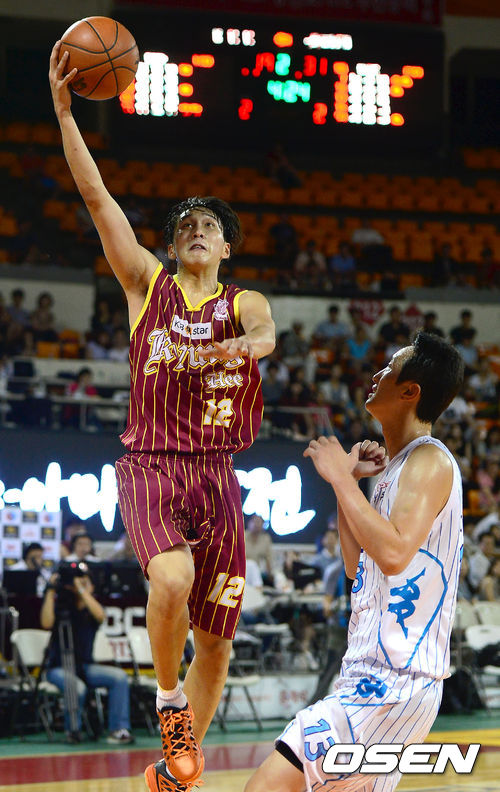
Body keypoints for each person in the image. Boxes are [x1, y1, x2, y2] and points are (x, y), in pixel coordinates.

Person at [49, 42, 276, 792]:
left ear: (226, 246)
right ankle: (170, 705)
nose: (196, 228)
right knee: (171, 579)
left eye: (209, 224)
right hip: (151, 464)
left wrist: (223, 352)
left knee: (218, 646)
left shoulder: (242, 301)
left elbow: (265, 338)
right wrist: (66, 114)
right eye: (185, 224)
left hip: (219, 476)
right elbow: (96, 199)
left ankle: (179, 772)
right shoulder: (147, 284)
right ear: (173, 245)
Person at [245, 331, 465, 792]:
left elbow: (393, 554)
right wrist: (345, 483)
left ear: (410, 391)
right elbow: (357, 566)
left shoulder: (429, 461)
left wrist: (340, 479)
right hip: (372, 675)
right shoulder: (394, 470)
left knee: (265, 787)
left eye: (389, 369)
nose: (376, 374)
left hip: (395, 680)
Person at [40, 565, 134, 745]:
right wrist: (50, 591)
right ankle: (73, 730)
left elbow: (101, 616)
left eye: (85, 581)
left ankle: (119, 729)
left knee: (119, 677)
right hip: (58, 668)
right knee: (77, 687)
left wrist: (81, 590)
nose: (79, 584)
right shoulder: (63, 607)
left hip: (85, 666)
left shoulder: (90, 611)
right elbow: (46, 623)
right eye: (76, 581)